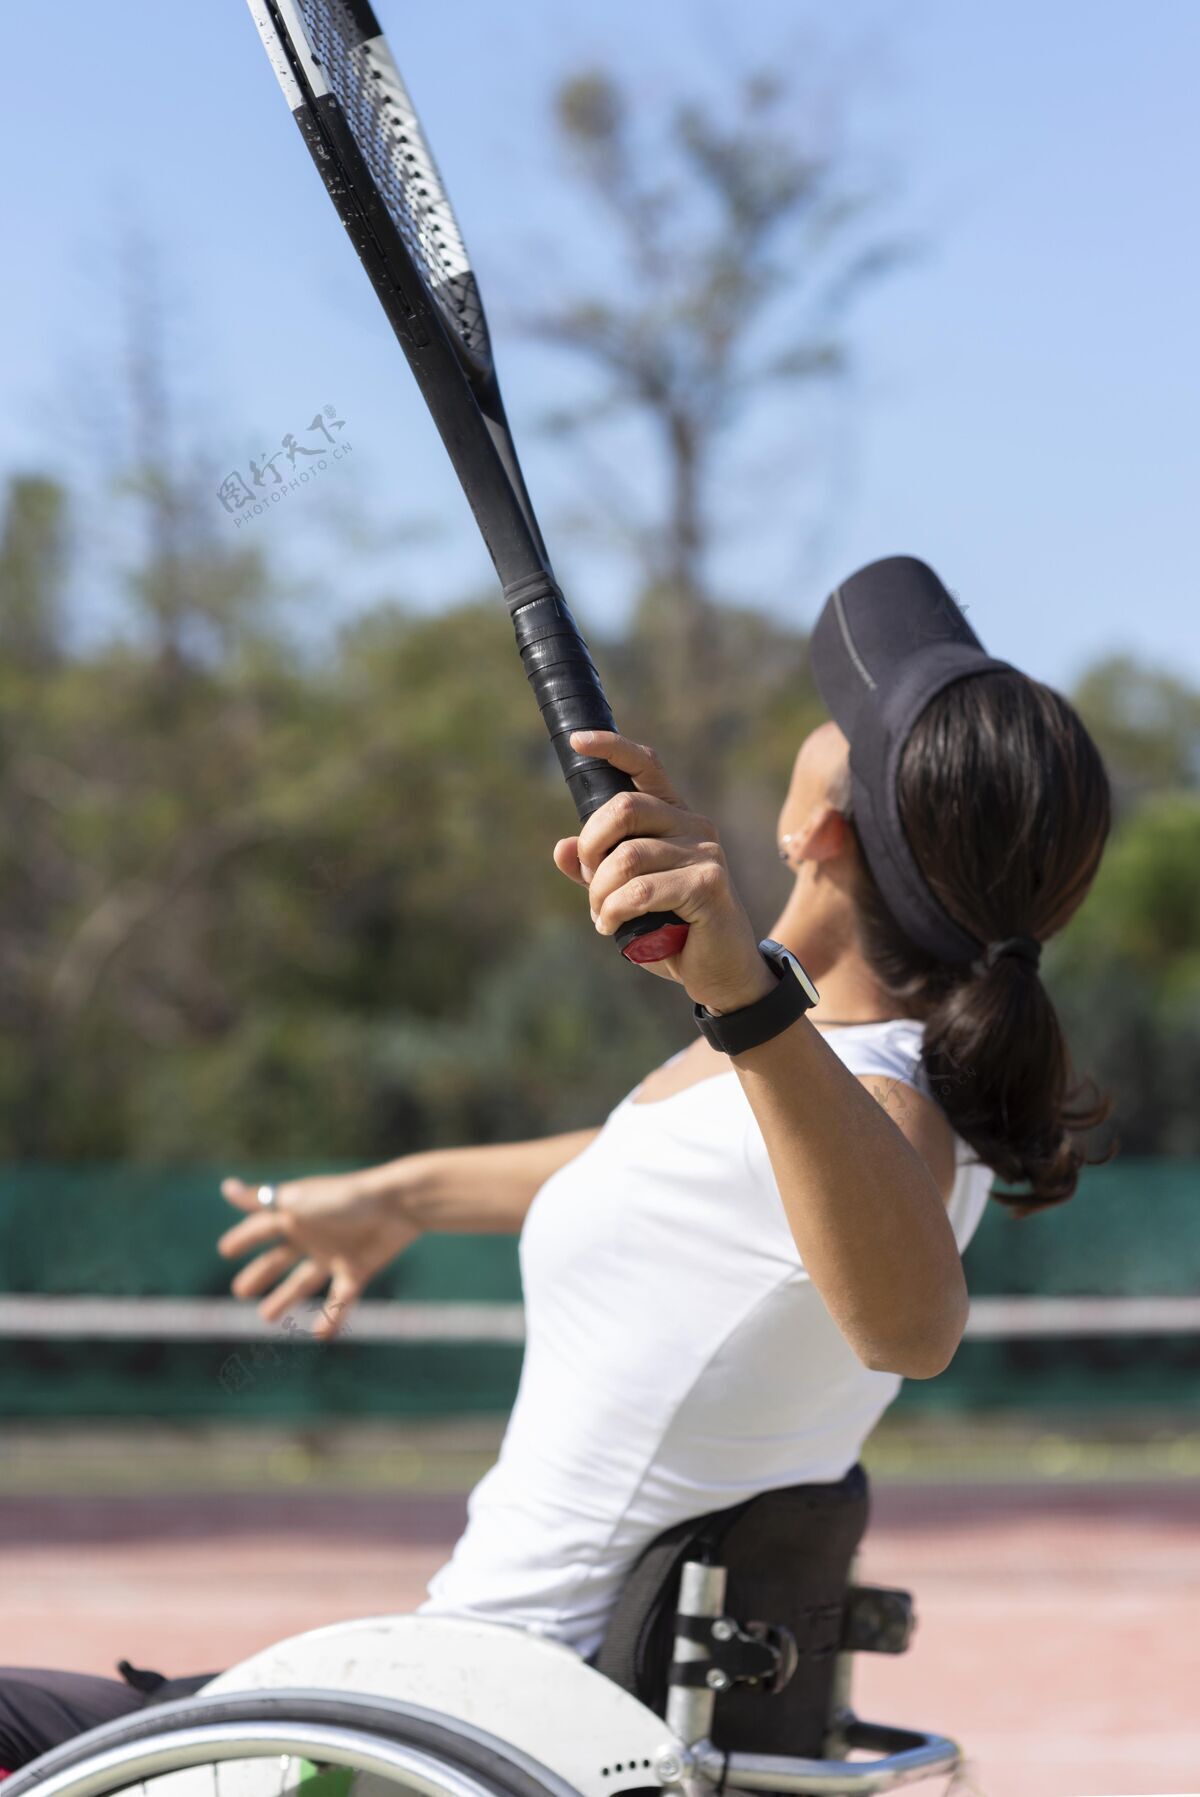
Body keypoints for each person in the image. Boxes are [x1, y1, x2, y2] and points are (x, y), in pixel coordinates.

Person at [0, 556, 1112, 1769]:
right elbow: (642, 1171)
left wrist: (740, 988)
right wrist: (402, 1196)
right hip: (477, 1704)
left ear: (815, 832)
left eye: (838, 728)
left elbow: (911, 1326)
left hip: (467, 1728)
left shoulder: (869, 1101)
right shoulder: (826, 1088)